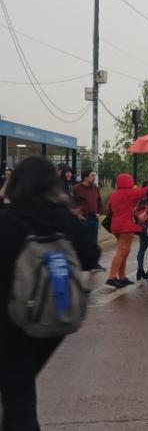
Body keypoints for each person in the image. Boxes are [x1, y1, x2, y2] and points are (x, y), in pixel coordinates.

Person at [0, 156, 99, 431]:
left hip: (11, 322)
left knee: (18, 400)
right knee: (19, 388)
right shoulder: (62, 219)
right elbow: (91, 255)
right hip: (53, 320)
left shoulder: (8, 220)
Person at [105, 173, 148, 289]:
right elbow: (145, 190)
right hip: (127, 226)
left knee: (125, 250)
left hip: (116, 226)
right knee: (122, 250)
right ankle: (112, 277)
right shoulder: (130, 193)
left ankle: (122, 277)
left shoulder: (113, 195)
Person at [72, 169, 105, 271]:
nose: (94, 177)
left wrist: (98, 212)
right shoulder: (77, 188)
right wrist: (77, 214)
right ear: (85, 177)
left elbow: (99, 201)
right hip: (82, 219)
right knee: (81, 242)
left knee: (93, 242)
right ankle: (79, 263)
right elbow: (71, 202)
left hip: (93, 218)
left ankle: (93, 264)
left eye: (94, 175)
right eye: (92, 176)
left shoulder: (95, 188)